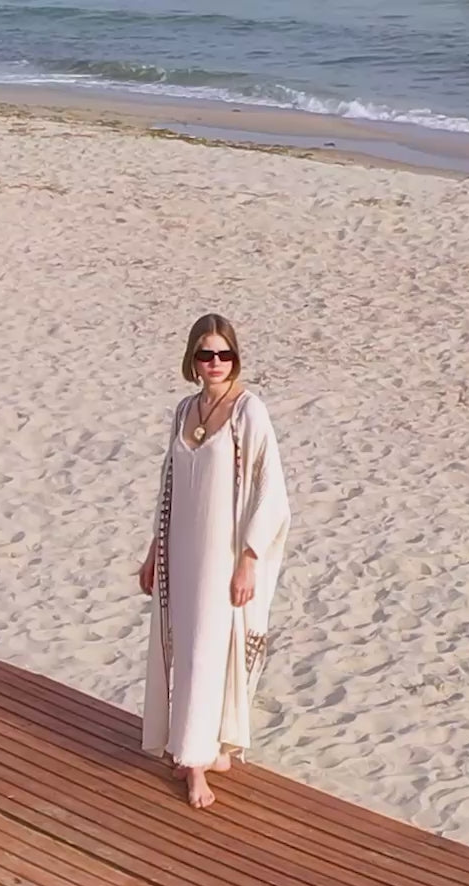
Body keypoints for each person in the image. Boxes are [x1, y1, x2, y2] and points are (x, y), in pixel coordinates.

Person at [139, 314, 290, 810]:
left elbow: (271, 490)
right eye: (206, 354)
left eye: (224, 354)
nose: (216, 363)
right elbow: (168, 486)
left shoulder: (249, 411)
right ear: (193, 359)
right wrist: (154, 551)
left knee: (207, 648)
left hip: (222, 555)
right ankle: (206, 746)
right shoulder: (185, 409)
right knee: (186, 646)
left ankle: (196, 763)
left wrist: (249, 558)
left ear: (236, 357)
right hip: (180, 550)